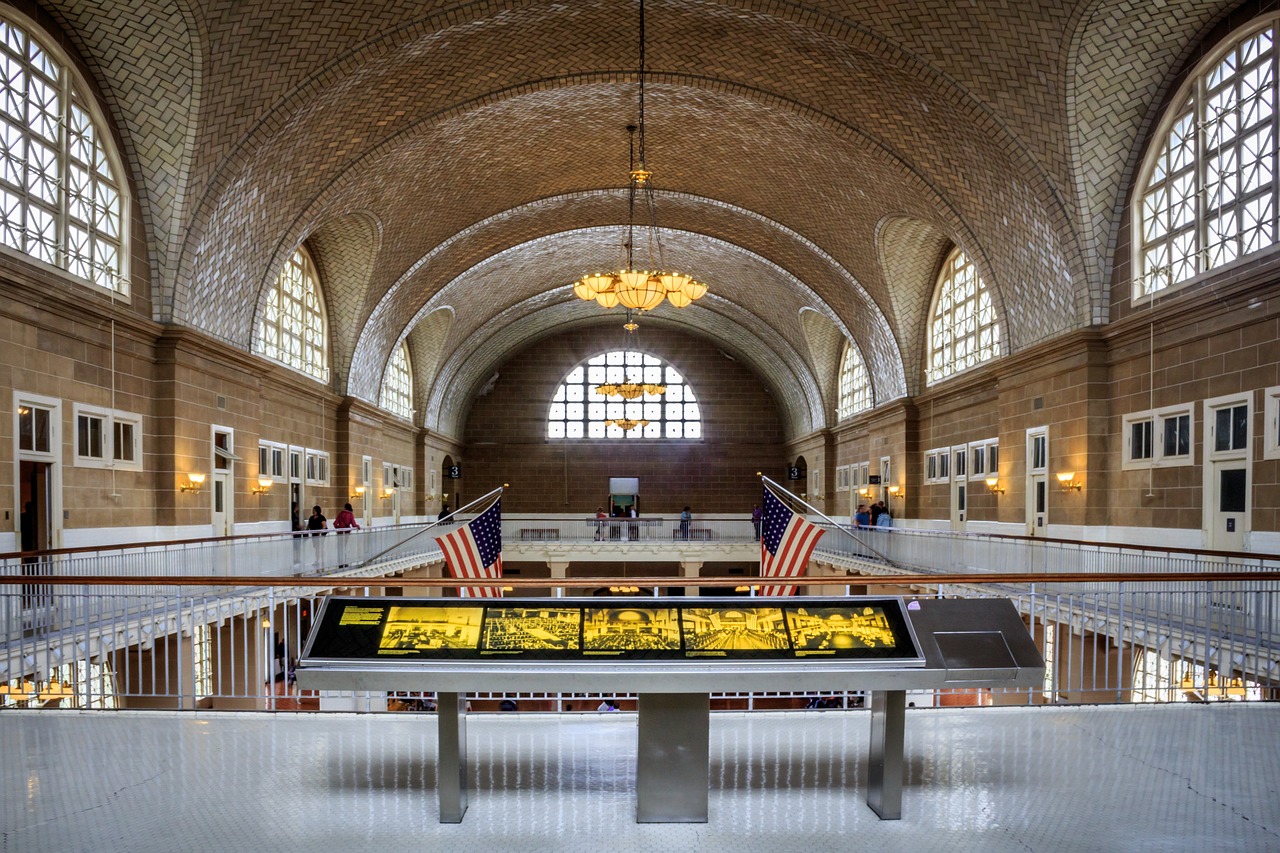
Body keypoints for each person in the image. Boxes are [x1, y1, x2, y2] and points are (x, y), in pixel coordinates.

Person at [333, 502, 360, 566]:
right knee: (344, 547)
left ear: (345, 507)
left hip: (340, 532)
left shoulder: (340, 513)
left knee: (340, 547)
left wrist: (338, 528)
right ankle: (344, 562)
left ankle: (340, 563)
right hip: (346, 532)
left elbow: (335, 523)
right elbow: (354, 525)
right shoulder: (350, 514)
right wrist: (358, 526)